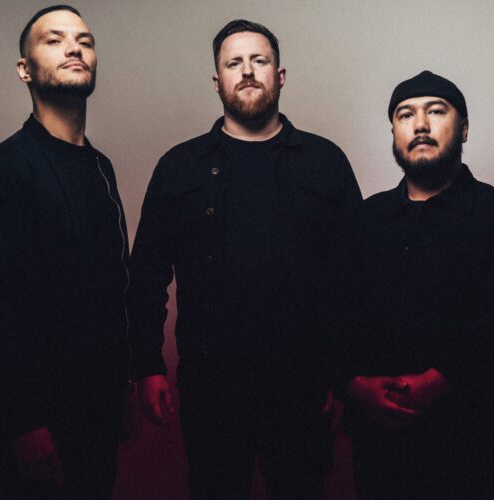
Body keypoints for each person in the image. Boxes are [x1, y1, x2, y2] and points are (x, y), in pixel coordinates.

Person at [129, 19, 361, 500]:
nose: (248, 71)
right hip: (211, 390)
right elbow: (147, 273)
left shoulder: (325, 162)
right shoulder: (179, 166)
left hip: (302, 388)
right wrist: (148, 365)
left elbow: (354, 277)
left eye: (260, 60)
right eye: (234, 63)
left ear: (280, 75)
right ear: (218, 81)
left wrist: (346, 376)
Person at [336, 70, 494, 499]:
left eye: (436, 111)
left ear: (464, 129)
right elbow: (334, 313)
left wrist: (442, 378)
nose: (420, 124)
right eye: (406, 115)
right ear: (394, 132)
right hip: (379, 446)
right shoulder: (365, 220)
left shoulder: (493, 213)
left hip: (475, 442)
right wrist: (353, 384)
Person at [0, 5, 130, 499]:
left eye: (84, 41)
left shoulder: (100, 167)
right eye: (54, 40)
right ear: (24, 69)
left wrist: (123, 382)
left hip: (98, 410)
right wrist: (21, 422)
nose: (74, 47)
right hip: (35, 421)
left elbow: (109, 285)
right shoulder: (8, 167)